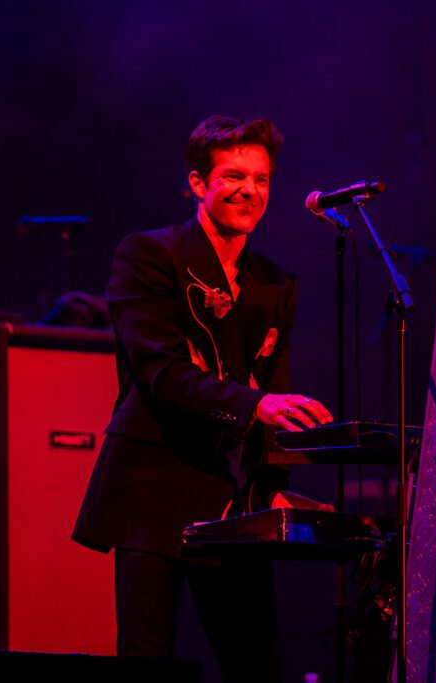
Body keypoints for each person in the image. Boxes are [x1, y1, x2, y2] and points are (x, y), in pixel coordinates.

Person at [72, 114, 333, 681]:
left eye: (262, 179)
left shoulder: (274, 281)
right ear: (198, 183)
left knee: (255, 665)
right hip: (154, 489)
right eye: (235, 176)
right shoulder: (148, 254)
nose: (250, 191)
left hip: (232, 503)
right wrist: (253, 405)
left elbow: (275, 395)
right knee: (146, 661)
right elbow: (160, 372)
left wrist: (274, 492)